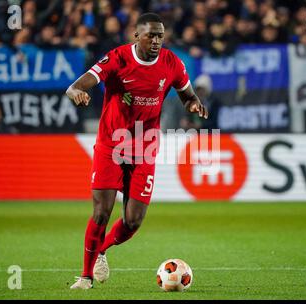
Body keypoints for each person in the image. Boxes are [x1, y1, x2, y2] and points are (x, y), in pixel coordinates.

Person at [66, 13, 208, 289]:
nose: (156, 41)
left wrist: (193, 104)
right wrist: (76, 92)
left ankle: (102, 251)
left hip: (145, 148)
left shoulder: (172, 63)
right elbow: (80, 83)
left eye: (160, 36)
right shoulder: (117, 58)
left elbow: (188, 94)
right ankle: (85, 277)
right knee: (101, 213)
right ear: (136, 35)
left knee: (132, 221)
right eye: (150, 35)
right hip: (111, 145)